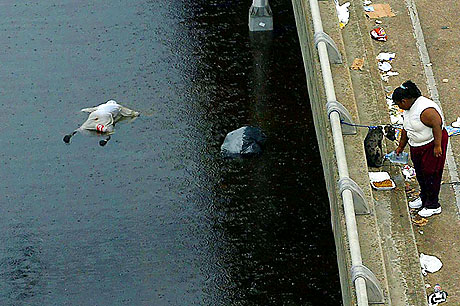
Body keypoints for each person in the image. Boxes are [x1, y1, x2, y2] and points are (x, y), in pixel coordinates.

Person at [392, 80, 448, 217]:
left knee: (431, 174)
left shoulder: (426, 111)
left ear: (404, 101)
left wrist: (437, 145)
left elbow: (437, 125)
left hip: (431, 145)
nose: (398, 106)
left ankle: (433, 205)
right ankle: (424, 197)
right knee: (421, 173)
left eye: (398, 103)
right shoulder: (408, 110)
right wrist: (401, 146)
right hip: (416, 145)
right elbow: (406, 128)